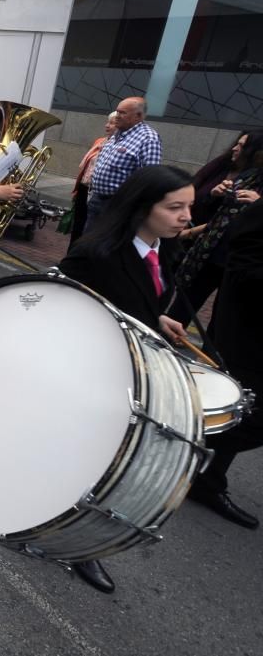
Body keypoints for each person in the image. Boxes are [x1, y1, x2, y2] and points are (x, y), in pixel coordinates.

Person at [58, 164, 193, 594]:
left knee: (105, 461)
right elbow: (63, 315)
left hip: (132, 373)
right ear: (141, 208)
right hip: (92, 374)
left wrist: (159, 318)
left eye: (189, 206)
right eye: (175, 207)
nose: (187, 217)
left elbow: (139, 300)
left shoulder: (163, 248)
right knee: (86, 458)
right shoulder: (93, 254)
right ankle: (76, 541)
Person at [188, 199, 263, 529]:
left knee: (247, 414)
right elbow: (244, 271)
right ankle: (194, 467)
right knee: (245, 411)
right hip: (247, 336)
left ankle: (202, 473)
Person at [168, 131, 263, 327]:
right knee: (183, 306)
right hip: (212, 253)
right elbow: (221, 212)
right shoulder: (248, 175)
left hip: (240, 264)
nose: (235, 148)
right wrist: (215, 194)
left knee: (223, 320)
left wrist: (259, 204)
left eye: (242, 145)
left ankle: (211, 354)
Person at [87, 96, 162, 227]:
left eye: (122, 113)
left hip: (118, 205)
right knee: (88, 242)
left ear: (138, 116)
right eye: (117, 111)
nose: (117, 116)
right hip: (98, 199)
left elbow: (150, 179)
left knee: (105, 245)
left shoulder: (148, 139)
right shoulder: (118, 133)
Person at [68, 111, 118, 245]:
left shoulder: (119, 147)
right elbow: (86, 167)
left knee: (90, 228)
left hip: (98, 191)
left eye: (112, 123)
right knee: (78, 224)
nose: (107, 126)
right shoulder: (99, 141)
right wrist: (78, 189)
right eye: (108, 122)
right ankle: (70, 258)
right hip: (85, 187)